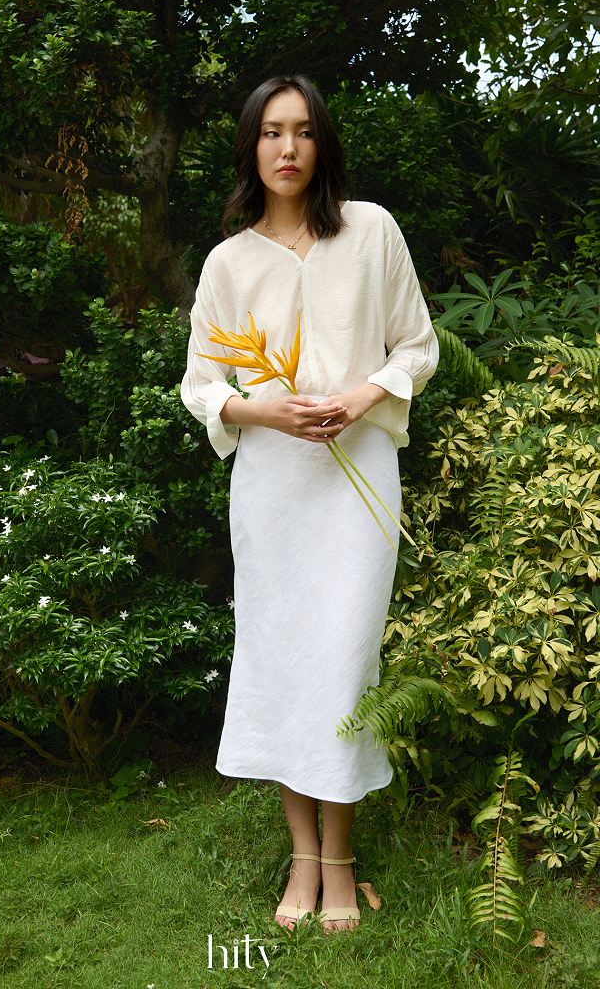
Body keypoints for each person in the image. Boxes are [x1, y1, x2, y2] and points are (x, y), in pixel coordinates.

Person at [181, 75, 438, 932]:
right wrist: (266, 412)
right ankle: (303, 855)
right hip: (274, 489)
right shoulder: (229, 262)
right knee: (284, 662)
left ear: (321, 143)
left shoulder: (372, 232)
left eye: (301, 131)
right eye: (270, 132)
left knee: (343, 661)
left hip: (359, 481)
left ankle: (341, 855)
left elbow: (417, 347)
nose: (286, 148)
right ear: (251, 147)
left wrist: (361, 398)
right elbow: (202, 385)